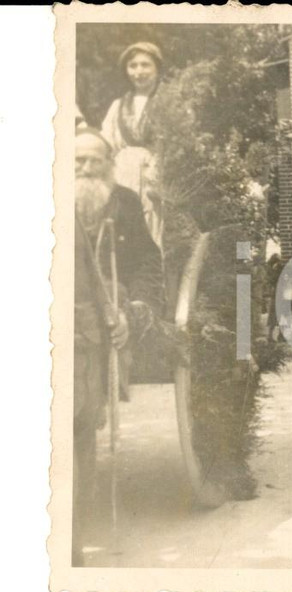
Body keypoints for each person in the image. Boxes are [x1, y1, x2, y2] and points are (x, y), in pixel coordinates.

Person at [74, 128, 164, 565]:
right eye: (78, 161)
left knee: (81, 420)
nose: (86, 169)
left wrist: (134, 309)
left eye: (94, 161)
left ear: (108, 164)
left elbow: (148, 260)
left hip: (112, 310)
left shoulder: (124, 201)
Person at [101, 41, 165, 250]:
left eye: (145, 65)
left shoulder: (169, 101)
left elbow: (176, 142)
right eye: (133, 65)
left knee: (152, 232)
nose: (139, 71)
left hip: (155, 174)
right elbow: (107, 142)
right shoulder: (118, 105)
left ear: (157, 68)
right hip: (124, 173)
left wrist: (158, 167)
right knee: (124, 230)